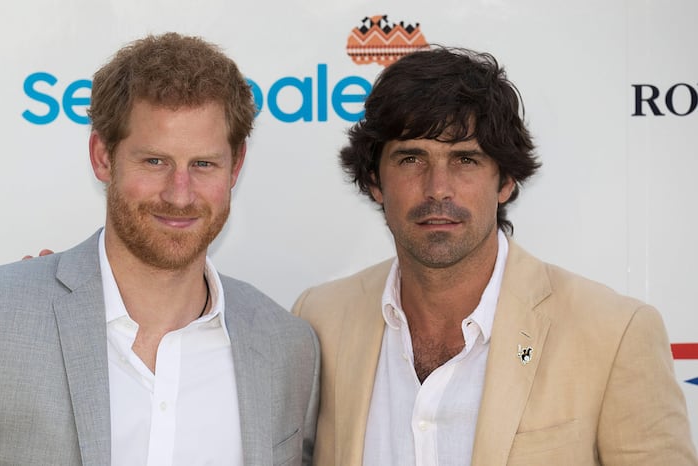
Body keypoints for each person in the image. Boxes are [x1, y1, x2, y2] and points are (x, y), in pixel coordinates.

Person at [0, 33, 319, 466]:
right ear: (102, 157)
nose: (180, 194)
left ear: (235, 167)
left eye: (203, 164)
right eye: (155, 161)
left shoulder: (287, 347)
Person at [292, 46, 697, 465]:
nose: (438, 188)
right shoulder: (320, 321)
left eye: (465, 159)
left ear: (505, 181)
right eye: (411, 158)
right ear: (375, 181)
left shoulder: (613, 334)